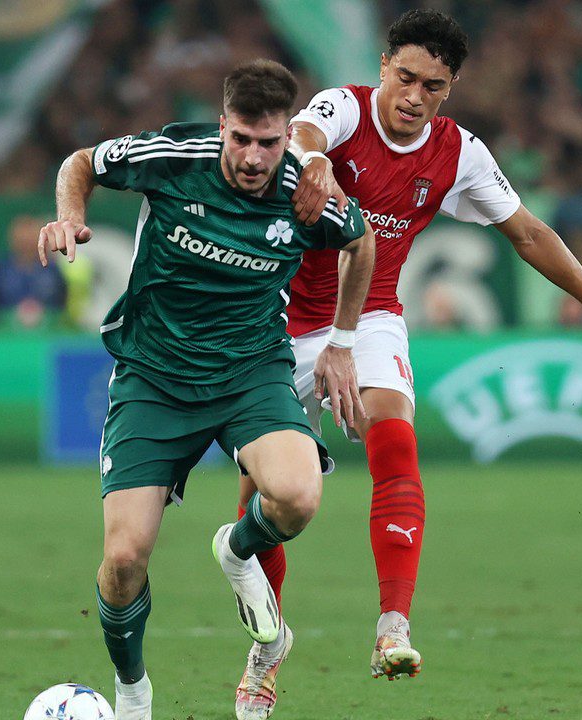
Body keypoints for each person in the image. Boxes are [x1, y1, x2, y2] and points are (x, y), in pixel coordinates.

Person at [236, 8, 582, 689]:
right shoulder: (345, 109)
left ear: (450, 88)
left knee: (395, 435)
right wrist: (313, 163)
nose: (414, 97)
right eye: (405, 77)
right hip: (275, 324)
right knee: (270, 501)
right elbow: (307, 129)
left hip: (369, 315)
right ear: (383, 67)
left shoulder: (459, 153)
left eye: (432, 86)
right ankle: (265, 649)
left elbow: (528, 233)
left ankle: (393, 627)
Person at [37, 60, 376, 720]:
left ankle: (237, 548)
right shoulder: (172, 158)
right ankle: (132, 689)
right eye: (241, 139)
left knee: (299, 497)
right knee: (124, 559)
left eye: (269, 142)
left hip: (250, 372)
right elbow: (81, 162)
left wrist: (342, 341)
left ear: (287, 137)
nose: (253, 158)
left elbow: (359, 245)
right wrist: (69, 217)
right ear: (222, 126)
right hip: (154, 376)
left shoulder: (306, 190)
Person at [0, 215, 67, 329]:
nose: (26, 245)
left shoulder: (52, 271)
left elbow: (62, 303)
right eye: (22, 241)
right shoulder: (1, 271)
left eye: (30, 239)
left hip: (48, 330)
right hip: (7, 331)